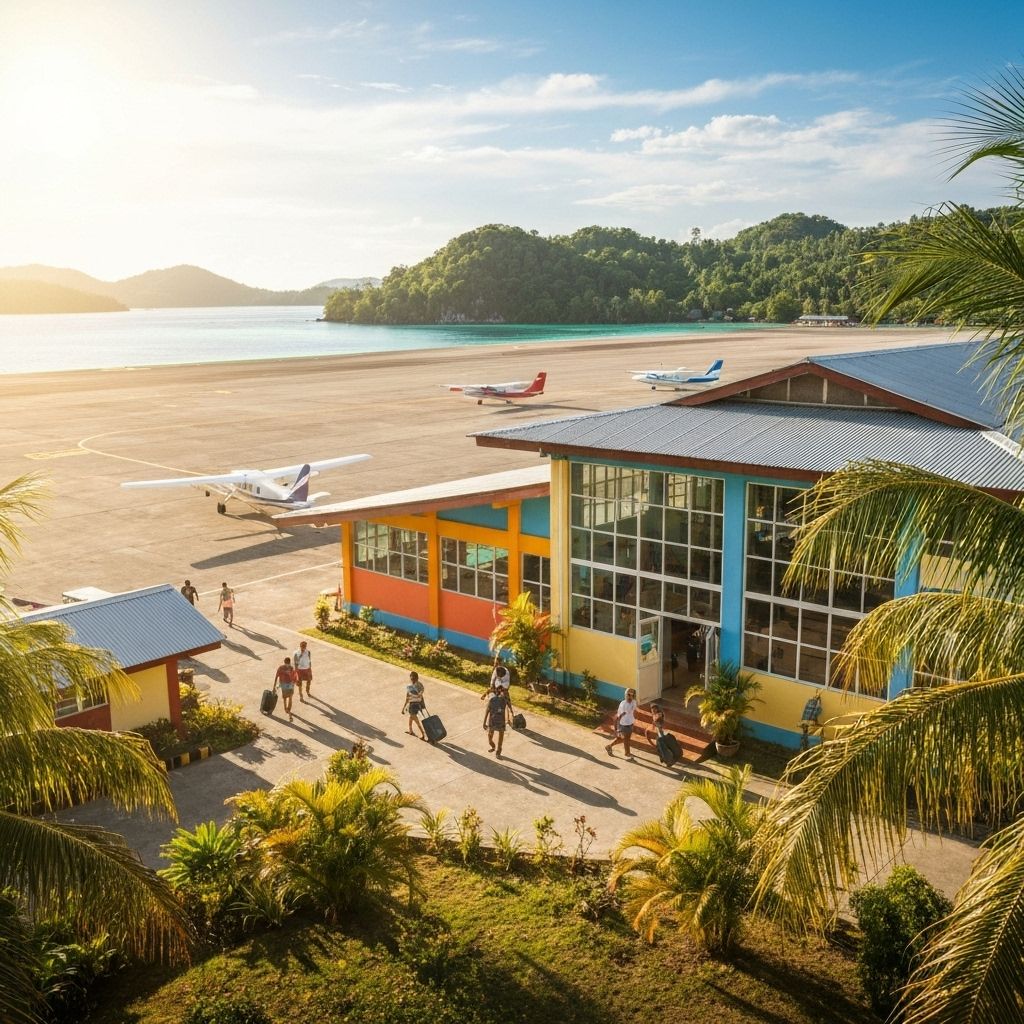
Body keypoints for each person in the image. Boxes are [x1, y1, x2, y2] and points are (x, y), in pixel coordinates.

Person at [606, 688, 638, 759]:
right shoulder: (624, 704)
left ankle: (609, 746)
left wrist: (634, 719)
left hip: (630, 724)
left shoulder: (634, 702)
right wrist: (617, 728)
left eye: (632, 695)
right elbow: (619, 716)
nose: (630, 696)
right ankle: (627, 753)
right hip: (624, 725)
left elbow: (634, 711)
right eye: (628, 694)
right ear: (625, 695)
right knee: (626, 739)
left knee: (622, 739)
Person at [483, 685, 511, 757]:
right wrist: (484, 722)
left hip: (501, 721)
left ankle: (498, 750)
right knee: (490, 737)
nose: (503, 693)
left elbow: (509, 708)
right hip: (492, 721)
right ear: (497, 692)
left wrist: (510, 718)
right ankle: (492, 746)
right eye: (501, 691)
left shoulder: (505, 700)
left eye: (504, 692)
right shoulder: (492, 700)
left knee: (501, 735)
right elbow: (487, 711)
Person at [402, 670, 426, 740]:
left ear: (417, 678)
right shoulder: (420, 685)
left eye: (413, 678)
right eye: (411, 678)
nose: (412, 679)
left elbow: (408, 697)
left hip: (414, 706)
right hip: (416, 705)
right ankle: (410, 731)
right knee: (411, 717)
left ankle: (423, 734)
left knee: (416, 720)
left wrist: (403, 708)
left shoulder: (411, 686)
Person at [274, 656, 297, 721]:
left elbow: (294, 677)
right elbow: (277, 676)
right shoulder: (282, 668)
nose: (287, 665)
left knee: (288, 697)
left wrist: (293, 683)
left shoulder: (285, 668)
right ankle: (286, 710)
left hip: (287, 684)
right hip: (285, 684)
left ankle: (287, 709)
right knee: (287, 698)